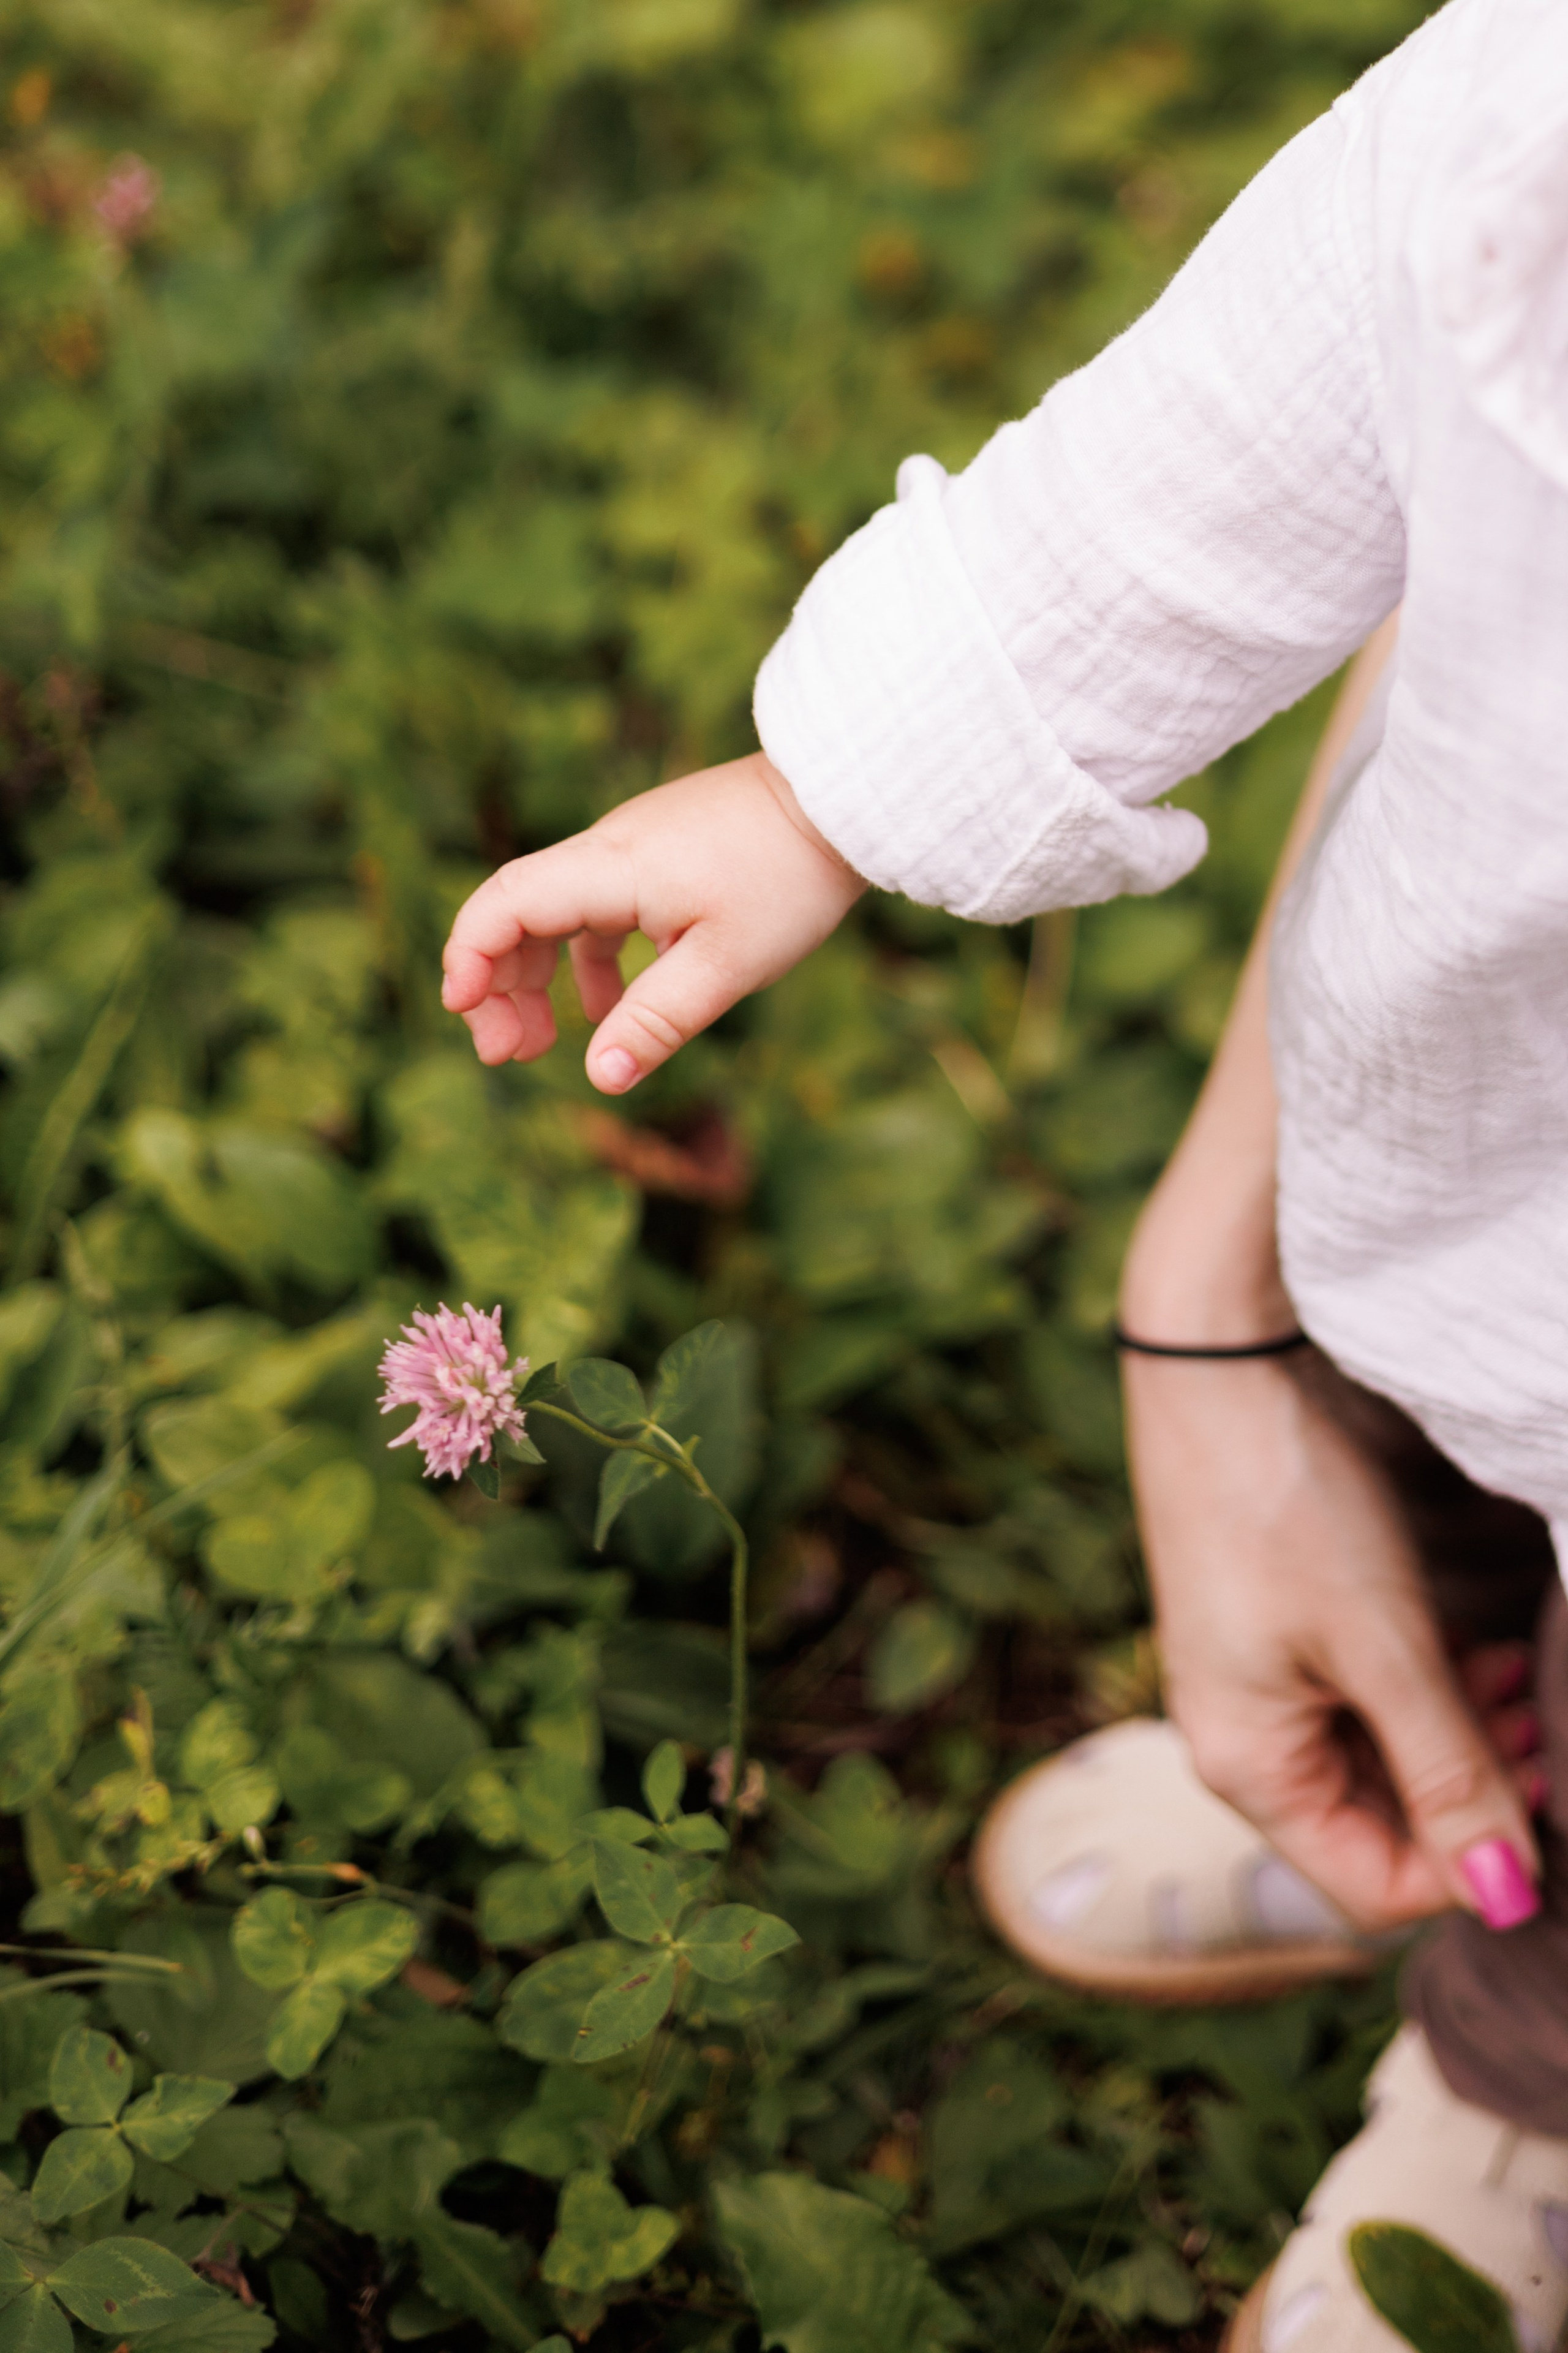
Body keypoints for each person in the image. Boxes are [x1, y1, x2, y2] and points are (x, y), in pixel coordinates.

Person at [440, 0, 1568, 2340]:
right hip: (1486, 1131)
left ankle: (1519, 2067)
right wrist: (830, 788)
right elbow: (1279, 385)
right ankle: (1409, 1738)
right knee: (1419, 1435)